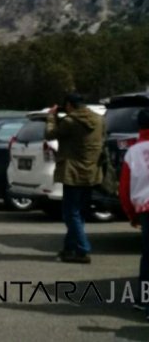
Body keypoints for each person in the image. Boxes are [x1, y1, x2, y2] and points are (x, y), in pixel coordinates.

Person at [47, 92, 104, 264]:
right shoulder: (99, 120)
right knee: (80, 213)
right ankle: (69, 248)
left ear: (70, 105)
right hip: (91, 172)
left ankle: (82, 250)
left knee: (70, 213)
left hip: (72, 173)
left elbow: (50, 135)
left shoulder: (70, 121)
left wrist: (51, 117)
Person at [119, 109, 149, 320]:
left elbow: (124, 188)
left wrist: (131, 214)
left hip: (146, 210)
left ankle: (144, 300)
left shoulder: (134, 152)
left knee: (148, 258)